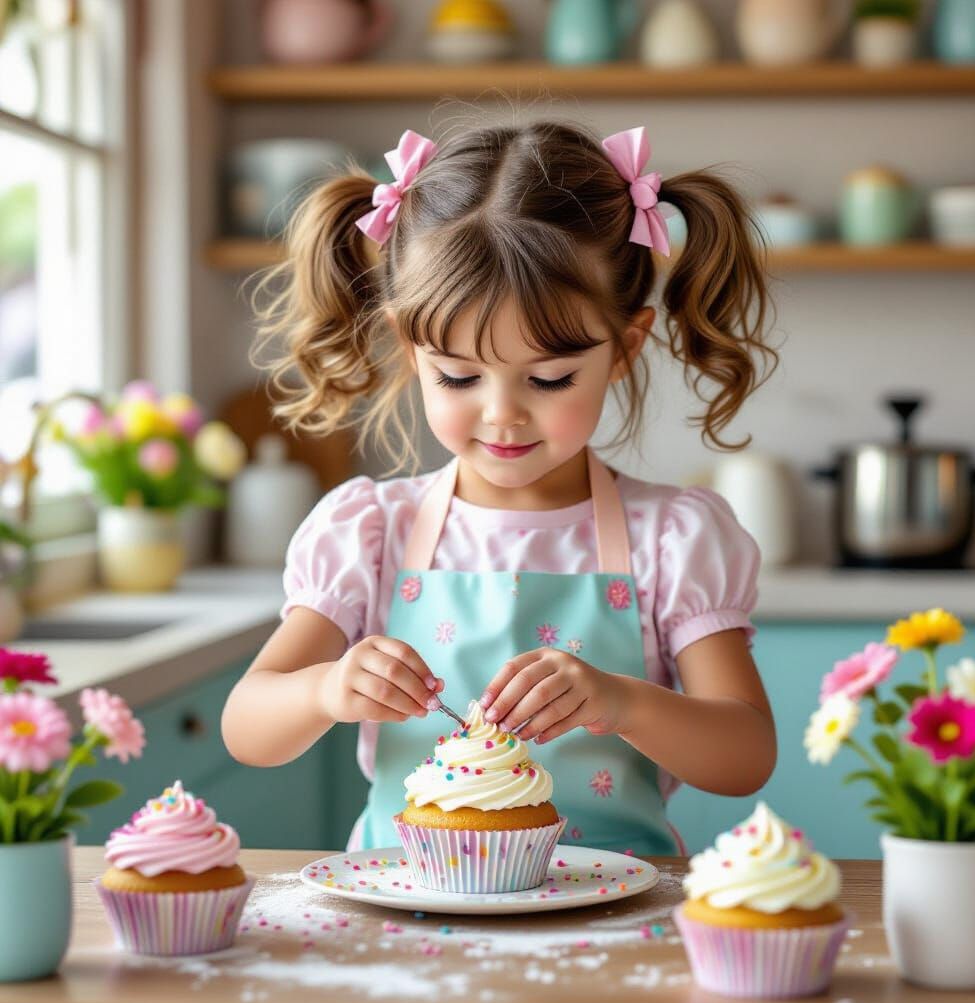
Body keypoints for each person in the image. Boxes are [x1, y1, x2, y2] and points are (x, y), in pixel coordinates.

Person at [221, 120, 779, 856]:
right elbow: (247, 728)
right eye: (458, 376)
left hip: (610, 914)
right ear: (408, 347)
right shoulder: (371, 530)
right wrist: (324, 690)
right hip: (407, 912)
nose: (502, 413)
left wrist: (620, 700)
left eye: (549, 378)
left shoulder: (670, 537)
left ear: (624, 348)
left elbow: (745, 757)